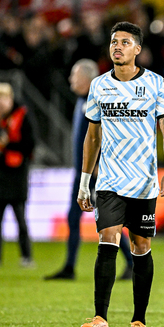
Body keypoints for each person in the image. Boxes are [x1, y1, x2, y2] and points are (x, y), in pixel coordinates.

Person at [78, 22, 164, 327]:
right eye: (113, 42)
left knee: (140, 246)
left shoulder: (155, 84)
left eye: (125, 42)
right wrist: (85, 181)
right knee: (107, 237)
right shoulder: (98, 86)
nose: (117, 46)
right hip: (108, 182)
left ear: (137, 49)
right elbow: (92, 136)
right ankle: (100, 318)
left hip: (144, 183)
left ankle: (138, 322)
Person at [44, 59, 134, 281]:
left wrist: (98, 167)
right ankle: (69, 267)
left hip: (94, 175)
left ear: (87, 78)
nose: (71, 79)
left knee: (107, 221)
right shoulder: (83, 100)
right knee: (76, 218)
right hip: (82, 174)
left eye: (75, 75)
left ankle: (132, 264)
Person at [0, 83, 36, 267]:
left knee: (20, 218)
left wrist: (6, 144)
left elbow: (30, 144)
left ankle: (26, 257)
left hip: (16, 174)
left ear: (10, 98)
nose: (0, 105)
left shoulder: (23, 115)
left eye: (2, 100)